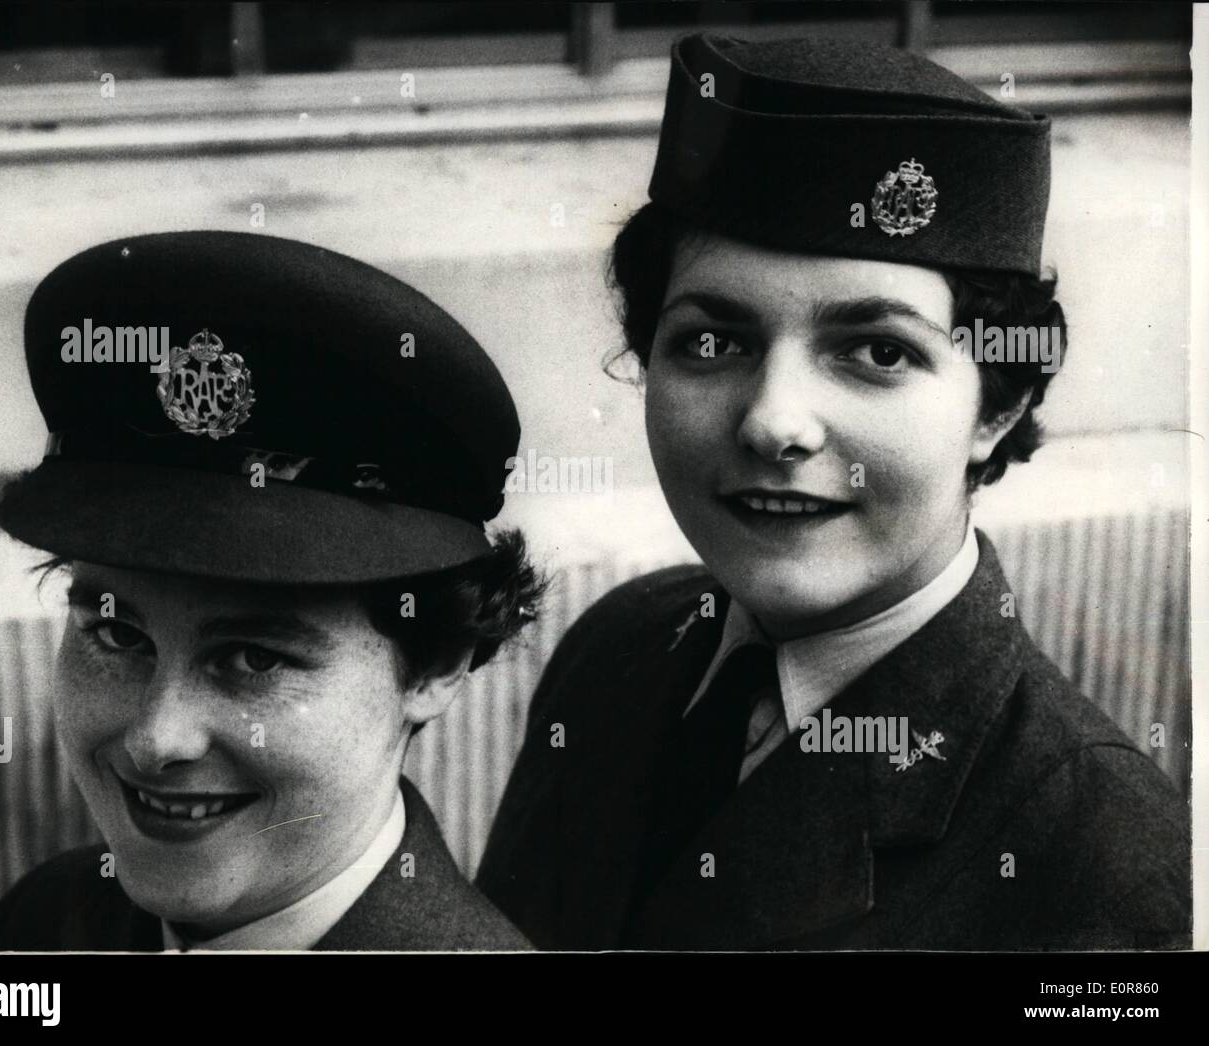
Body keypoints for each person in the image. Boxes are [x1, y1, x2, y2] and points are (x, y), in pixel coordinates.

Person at [476, 34, 1191, 950]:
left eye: (878, 352)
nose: (775, 422)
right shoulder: (618, 646)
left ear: (997, 407)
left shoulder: (1104, 863)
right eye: (711, 341)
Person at [0, 230, 542, 951]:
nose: (157, 740)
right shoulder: (45, 922)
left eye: (254, 658)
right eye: (118, 635)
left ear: (436, 665)